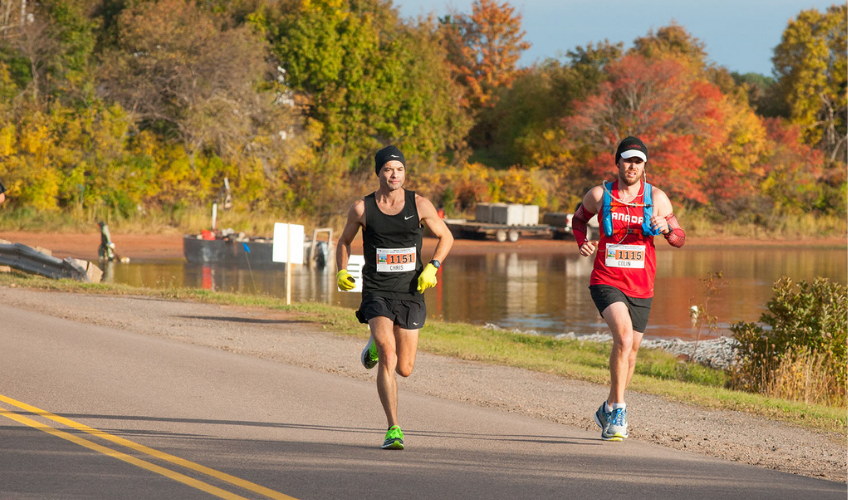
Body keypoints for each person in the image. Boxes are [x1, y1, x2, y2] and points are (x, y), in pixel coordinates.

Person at [336, 145, 454, 450]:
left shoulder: (420, 204)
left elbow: (446, 237)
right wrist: (341, 270)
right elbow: (344, 242)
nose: (394, 175)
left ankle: (375, 343)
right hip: (377, 290)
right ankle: (393, 428)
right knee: (388, 356)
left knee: (405, 368)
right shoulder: (362, 208)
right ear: (379, 172)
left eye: (399, 169)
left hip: (412, 290)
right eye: (388, 169)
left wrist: (434, 267)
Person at [570, 136, 685, 441]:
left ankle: (608, 406)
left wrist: (668, 229)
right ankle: (619, 411)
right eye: (627, 160)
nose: (632, 166)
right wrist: (583, 243)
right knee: (622, 337)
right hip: (606, 279)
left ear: (644, 166)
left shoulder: (656, 198)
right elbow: (578, 220)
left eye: (638, 161)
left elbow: (680, 237)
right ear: (617, 162)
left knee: (631, 351)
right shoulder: (600, 194)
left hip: (642, 285)